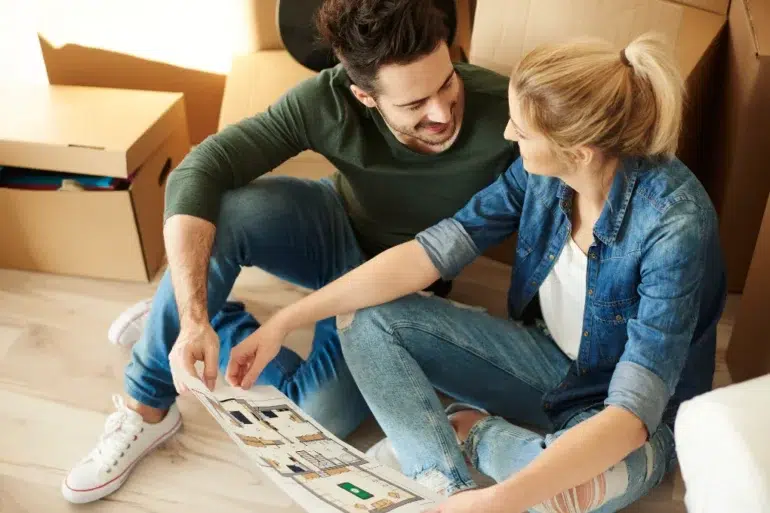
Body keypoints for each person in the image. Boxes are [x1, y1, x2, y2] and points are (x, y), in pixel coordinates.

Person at [221, 33, 727, 512]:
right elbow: (428, 254)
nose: (508, 134)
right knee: (365, 318)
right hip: (549, 363)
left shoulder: (674, 225)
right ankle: (443, 485)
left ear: (578, 153)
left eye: (521, 130)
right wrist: (288, 319)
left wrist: (501, 499)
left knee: (564, 497)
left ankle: (469, 433)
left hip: (636, 416)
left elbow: (633, 414)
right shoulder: (540, 174)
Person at [61, 0, 518, 504]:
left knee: (319, 415)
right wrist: (193, 317)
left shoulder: (505, 109)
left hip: (401, 281)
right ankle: (149, 397)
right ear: (364, 96)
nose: (442, 112)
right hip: (331, 226)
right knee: (229, 213)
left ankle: (174, 319)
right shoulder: (326, 101)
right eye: (413, 105)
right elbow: (200, 168)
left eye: (447, 83)